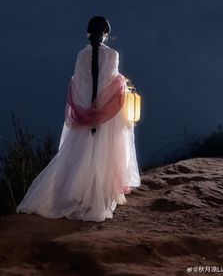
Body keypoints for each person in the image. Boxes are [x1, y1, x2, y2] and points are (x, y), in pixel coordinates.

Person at [16, 16, 141, 222]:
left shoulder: (82, 55)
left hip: (85, 112)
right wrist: (120, 87)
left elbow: (79, 84)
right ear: (107, 34)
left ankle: (75, 195)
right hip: (105, 114)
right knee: (104, 151)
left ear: (89, 33)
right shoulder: (113, 55)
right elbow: (109, 84)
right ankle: (97, 196)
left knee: (78, 152)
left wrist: (86, 110)